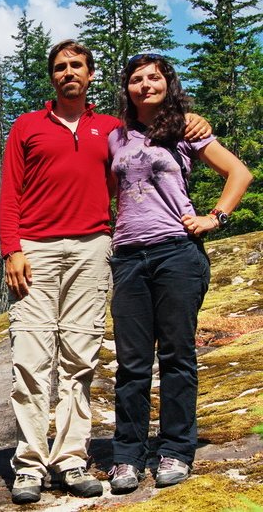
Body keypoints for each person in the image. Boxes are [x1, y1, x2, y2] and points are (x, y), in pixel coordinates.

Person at [0, 39, 211, 505]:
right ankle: (30, 463)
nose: (68, 72)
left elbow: (145, 160)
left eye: (77, 65)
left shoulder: (113, 129)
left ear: (90, 75)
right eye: (60, 67)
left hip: (95, 247)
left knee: (80, 356)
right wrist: (11, 248)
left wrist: (196, 120)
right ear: (52, 77)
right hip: (34, 249)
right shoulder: (27, 126)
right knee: (31, 358)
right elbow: (10, 191)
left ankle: (72, 458)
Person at [106, 54, 252, 494]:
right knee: (131, 363)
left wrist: (215, 218)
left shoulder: (186, 129)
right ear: (127, 88)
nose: (145, 84)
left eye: (154, 77)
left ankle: (175, 450)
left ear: (168, 84)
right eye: (136, 79)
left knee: (176, 356)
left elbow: (238, 172)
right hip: (129, 256)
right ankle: (127, 457)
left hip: (176, 253)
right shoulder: (116, 136)